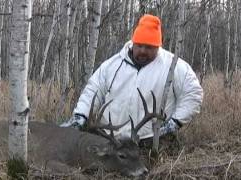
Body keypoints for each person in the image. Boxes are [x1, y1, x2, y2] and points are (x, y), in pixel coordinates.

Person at [61, 14, 203, 140]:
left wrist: (174, 123)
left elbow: (193, 93)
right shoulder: (113, 65)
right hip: (110, 139)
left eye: (149, 47)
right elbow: (93, 90)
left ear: (158, 46)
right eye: (139, 45)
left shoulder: (174, 66)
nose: (142, 51)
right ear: (133, 42)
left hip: (149, 140)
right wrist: (80, 117)